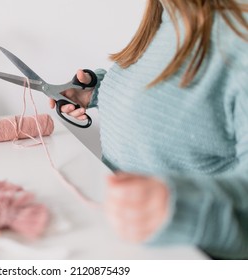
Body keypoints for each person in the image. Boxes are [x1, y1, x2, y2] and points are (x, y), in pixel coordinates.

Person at [50, 0, 248, 259]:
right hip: (119, 246)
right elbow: (164, 102)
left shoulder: (238, 42)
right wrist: (97, 92)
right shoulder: (164, 17)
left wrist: (183, 205)